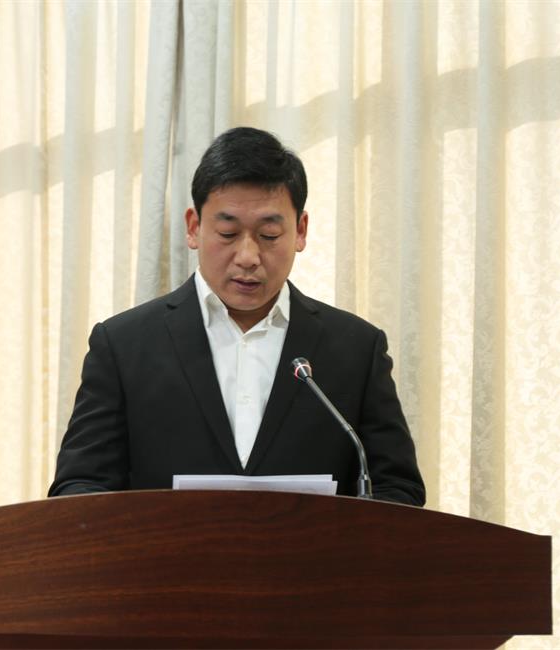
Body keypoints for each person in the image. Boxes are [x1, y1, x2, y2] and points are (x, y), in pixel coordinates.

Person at [48, 127, 425, 505]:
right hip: (162, 547)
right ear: (194, 228)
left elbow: (397, 489)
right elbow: (80, 487)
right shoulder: (124, 345)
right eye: (228, 233)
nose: (248, 256)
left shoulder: (356, 349)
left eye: (269, 235)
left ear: (300, 231)